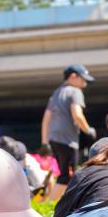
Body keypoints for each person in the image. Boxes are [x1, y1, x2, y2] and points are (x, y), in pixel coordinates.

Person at [42, 64, 97, 201]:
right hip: (67, 140)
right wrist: (89, 131)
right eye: (83, 79)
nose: (84, 83)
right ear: (73, 76)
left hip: (54, 139)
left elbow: (46, 119)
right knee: (67, 176)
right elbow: (77, 115)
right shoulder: (75, 91)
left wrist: (45, 142)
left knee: (66, 174)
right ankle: (50, 205)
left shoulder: (56, 93)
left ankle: (60, 203)